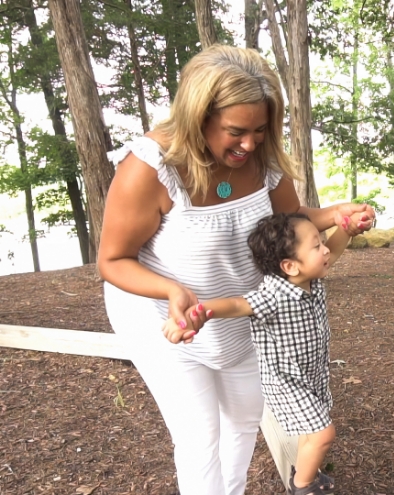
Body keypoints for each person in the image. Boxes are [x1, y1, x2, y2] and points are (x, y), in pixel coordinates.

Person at [97, 44, 374, 495]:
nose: (249, 143)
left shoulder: (261, 160)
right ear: (197, 116)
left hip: (245, 314)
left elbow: (292, 220)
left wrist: (338, 215)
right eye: (235, 131)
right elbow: (112, 260)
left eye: (260, 130)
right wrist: (170, 292)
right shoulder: (150, 168)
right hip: (166, 320)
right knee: (199, 435)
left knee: (244, 418)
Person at [164, 212, 351, 495]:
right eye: (316, 246)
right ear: (289, 265)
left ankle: (301, 471)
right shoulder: (273, 295)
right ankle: (302, 487)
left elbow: (333, 252)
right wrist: (200, 312)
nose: (325, 249)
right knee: (323, 434)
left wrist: (347, 230)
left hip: (312, 374)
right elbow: (238, 305)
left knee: (309, 434)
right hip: (286, 382)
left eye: (322, 243)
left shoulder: (311, 279)